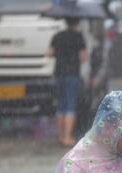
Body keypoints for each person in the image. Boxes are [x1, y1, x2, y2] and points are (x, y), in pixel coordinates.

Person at [48, 18, 87, 147]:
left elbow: (49, 53)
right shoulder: (78, 37)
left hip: (59, 74)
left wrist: (60, 53)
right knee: (70, 105)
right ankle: (67, 137)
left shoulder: (57, 36)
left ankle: (60, 136)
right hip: (73, 74)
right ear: (76, 22)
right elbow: (84, 57)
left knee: (61, 106)